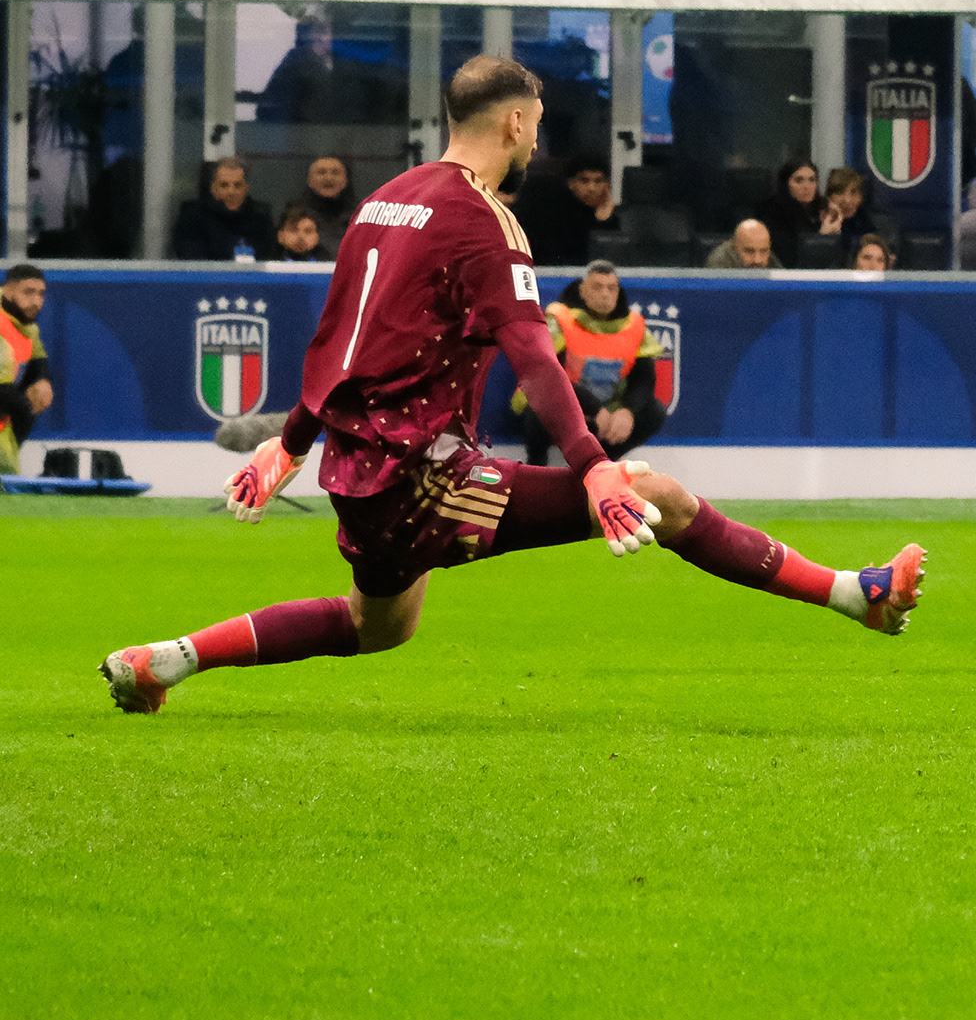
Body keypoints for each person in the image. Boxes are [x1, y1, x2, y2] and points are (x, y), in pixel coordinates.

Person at [99, 56, 924, 716]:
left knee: (377, 624)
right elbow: (533, 352)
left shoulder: (385, 201)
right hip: (425, 471)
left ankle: (163, 659)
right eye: (538, 127)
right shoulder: (484, 220)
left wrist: (293, 443)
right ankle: (859, 596)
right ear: (516, 122)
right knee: (659, 495)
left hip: (359, 469)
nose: (538, 141)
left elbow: (336, 338)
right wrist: (596, 465)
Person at [514, 261, 669, 467]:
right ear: (582, 290)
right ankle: (536, 465)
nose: (605, 294)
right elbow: (549, 376)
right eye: (597, 287)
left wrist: (628, 411)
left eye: (611, 288)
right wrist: (594, 410)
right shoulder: (560, 319)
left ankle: (601, 465)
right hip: (567, 404)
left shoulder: (634, 326)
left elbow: (644, 378)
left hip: (609, 413)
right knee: (540, 405)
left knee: (654, 411)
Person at [171, 158, 278, 262]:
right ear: (213, 188)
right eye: (224, 185)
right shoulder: (193, 216)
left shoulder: (260, 217)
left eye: (238, 185)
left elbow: (267, 257)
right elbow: (191, 259)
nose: (231, 191)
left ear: (246, 188)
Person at [0, 264, 52, 476]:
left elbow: (38, 358)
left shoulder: (27, 327)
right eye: (28, 292)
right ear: (8, 291)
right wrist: (24, 408)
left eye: (41, 294)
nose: (37, 301)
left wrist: (41, 380)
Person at [523, 157, 617, 267]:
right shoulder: (556, 215)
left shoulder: (613, 215)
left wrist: (604, 221)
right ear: (571, 183)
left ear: (607, 184)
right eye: (584, 181)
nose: (592, 188)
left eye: (598, 181)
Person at [755, 160, 823, 269]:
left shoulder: (823, 208)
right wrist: (821, 237)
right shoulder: (774, 212)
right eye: (799, 180)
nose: (807, 186)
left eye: (812, 180)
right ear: (786, 184)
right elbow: (788, 255)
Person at [290, 156, 358, 256]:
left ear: (345, 180)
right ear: (310, 180)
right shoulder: (294, 213)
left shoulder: (359, 213)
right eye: (321, 172)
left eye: (335, 172)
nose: (328, 178)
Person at [818, 168, 879, 250]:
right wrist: (823, 237)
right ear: (829, 197)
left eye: (853, 192)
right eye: (839, 192)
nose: (847, 200)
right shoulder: (815, 222)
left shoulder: (869, 225)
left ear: (861, 197)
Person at [704, 219, 781, 269]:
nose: (757, 260)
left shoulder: (770, 258)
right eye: (749, 251)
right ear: (734, 247)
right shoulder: (718, 265)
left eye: (764, 251)